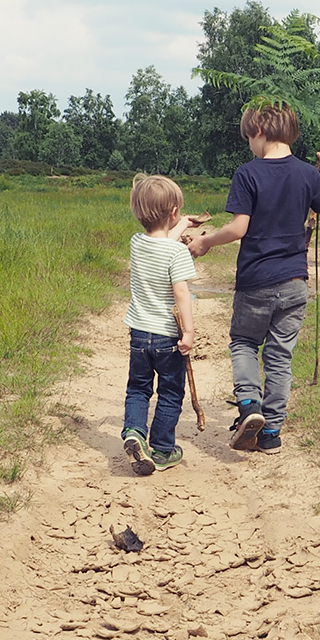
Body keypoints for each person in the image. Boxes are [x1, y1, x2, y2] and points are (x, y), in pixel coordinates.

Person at [187, 104, 320, 454]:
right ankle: (271, 432)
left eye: (248, 139)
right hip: (294, 284)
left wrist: (205, 241)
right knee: (279, 357)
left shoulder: (248, 173)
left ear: (258, 130)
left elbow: (238, 228)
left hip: (256, 280)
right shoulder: (308, 174)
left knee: (243, 342)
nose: (249, 146)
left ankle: (248, 406)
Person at [121, 173, 199, 476]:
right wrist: (189, 332)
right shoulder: (177, 252)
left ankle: (134, 432)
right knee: (169, 392)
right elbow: (181, 293)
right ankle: (163, 448)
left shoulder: (136, 243)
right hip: (168, 337)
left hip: (139, 334)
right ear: (173, 212)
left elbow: (160, 242)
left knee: (138, 389)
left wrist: (180, 226)